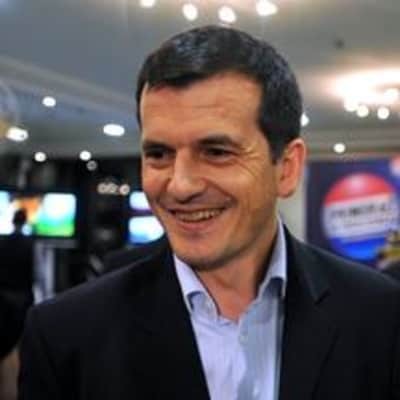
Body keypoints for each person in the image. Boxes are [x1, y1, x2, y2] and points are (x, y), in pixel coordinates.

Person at [18, 25, 400, 400]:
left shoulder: (381, 316)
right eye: (159, 154)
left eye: (217, 152)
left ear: (286, 168)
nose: (180, 185)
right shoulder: (65, 336)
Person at [0, 208, 33, 361]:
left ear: (13, 221)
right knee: (20, 332)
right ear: (25, 221)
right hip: (22, 294)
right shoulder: (30, 244)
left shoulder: (2, 242)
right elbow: (33, 272)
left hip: (4, 294)